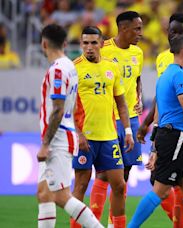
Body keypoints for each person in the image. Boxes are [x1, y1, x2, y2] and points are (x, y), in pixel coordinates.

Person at [127, 34, 183, 228]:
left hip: (178, 137)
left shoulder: (166, 75)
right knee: (161, 191)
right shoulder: (180, 75)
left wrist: (155, 146)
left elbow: (159, 115)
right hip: (177, 137)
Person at [36, 24, 103, 228]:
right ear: (65, 44)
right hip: (63, 135)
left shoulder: (57, 70)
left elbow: (58, 109)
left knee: (61, 196)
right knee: (44, 193)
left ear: (44, 44)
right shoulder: (69, 66)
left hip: (58, 140)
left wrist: (46, 144)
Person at [70, 26, 134, 228]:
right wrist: (78, 133)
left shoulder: (111, 67)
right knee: (80, 185)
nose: (89, 47)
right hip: (84, 138)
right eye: (85, 43)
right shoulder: (74, 69)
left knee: (119, 184)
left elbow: (121, 104)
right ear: (81, 44)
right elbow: (67, 107)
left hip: (109, 137)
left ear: (101, 43)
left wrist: (128, 131)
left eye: (93, 43)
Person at [89, 11, 144, 227]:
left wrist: (140, 98)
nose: (141, 33)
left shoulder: (138, 53)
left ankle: (114, 223)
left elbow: (137, 80)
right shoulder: (104, 50)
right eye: (137, 28)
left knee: (125, 175)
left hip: (131, 119)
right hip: (109, 119)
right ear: (123, 28)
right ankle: (91, 222)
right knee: (104, 174)